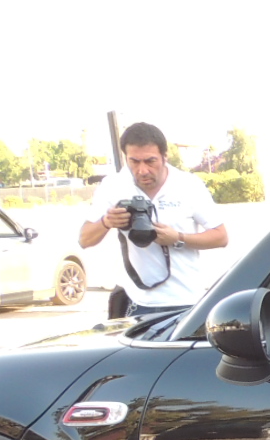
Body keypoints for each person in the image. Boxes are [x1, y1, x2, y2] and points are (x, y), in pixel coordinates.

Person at [80, 121, 228, 315]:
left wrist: (178, 238)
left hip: (185, 301)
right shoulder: (114, 185)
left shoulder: (188, 185)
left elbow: (221, 237)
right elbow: (84, 239)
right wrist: (106, 222)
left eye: (150, 161)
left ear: (165, 156)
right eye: (134, 162)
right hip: (136, 302)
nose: (142, 170)